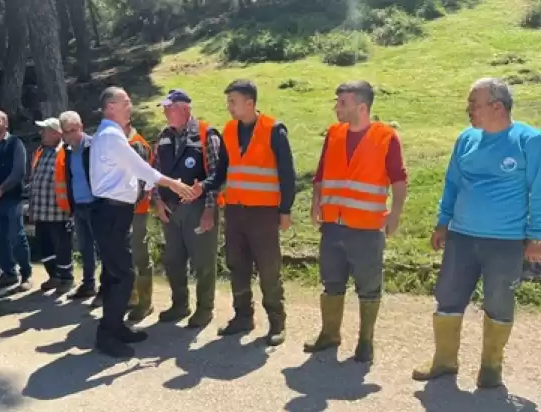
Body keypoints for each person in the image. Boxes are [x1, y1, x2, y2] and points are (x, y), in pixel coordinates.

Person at [412, 78, 541, 389]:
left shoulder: (529, 140)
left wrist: (536, 236)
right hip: (461, 237)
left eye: (474, 104)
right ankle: (444, 361)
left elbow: (538, 190)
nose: (468, 109)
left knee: (499, 301)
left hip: (506, 241)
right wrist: (443, 222)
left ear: (497, 106)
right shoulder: (466, 139)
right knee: (448, 297)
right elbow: (452, 183)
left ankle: (491, 368)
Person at [305, 80, 408, 363]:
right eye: (337, 102)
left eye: (343, 103)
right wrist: (316, 203)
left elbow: (399, 180)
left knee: (368, 285)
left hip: (366, 227)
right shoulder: (334, 134)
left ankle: (365, 341)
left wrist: (395, 213)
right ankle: (330, 334)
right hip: (333, 224)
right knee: (331, 281)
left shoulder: (386, 137)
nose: (337, 108)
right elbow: (321, 174)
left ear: (362, 107)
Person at [89, 86, 196, 358]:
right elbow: (140, 167)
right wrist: (172, 183)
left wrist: (159, 184)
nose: (131, 106)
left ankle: (116, 328)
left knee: (119, 273)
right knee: (121, 275)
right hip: (111, 212)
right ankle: (107, 334)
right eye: (126, 102)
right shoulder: (111, 134)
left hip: (114, 212)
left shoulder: (110, 134)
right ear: (110, 106)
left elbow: (136, 171)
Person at [217, 79, 296, 347]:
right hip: (235, 211)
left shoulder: (274, 130)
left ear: (249, 103)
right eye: (228, 102)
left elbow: (287, 175)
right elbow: (221, 171)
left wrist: (285, 210)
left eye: (233, 102)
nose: (229, 107)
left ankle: (276, 320)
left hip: (264, 213)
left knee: (268, 268)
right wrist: (203, 188)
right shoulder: (228, 130)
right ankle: (242, 316)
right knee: (236, 265)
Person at [152, 89, 226, 328]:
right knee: (173, 260)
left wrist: (209, 210)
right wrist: (157, 201)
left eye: (168, 107)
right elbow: (153, 173)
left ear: (184, 109)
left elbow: (218, 175)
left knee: (203, 261)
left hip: (198, 208)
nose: (164, 112)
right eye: (164, 108)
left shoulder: (207, 134)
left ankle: (205, 309)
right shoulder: (163, 136)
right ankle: (179, 305)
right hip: (169, 210)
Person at [0, 110, 33, 293]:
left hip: (12, 198)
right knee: (0, 238)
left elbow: (19, 171)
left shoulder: (15, 143)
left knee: (17, 237)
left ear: (6, 123)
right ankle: (8, 273)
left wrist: (1, 189)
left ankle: (26, 275)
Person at [57, 111, 101, 300]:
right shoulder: (66, 152)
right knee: (85, 248)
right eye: (66, 132)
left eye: (73, 130)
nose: (70, 135)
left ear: (81, 127)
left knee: (103, 248)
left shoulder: (94, 146)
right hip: (79, 206)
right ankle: (88, 284)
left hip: (96, 205)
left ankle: (106, 288)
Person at [30, 118, 75, 295]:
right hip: (41, 209)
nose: (41, 133)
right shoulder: (40, 151)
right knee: (45, 244)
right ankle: (53, 275)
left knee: (63, 245)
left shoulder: (65, 151)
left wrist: (71, 209)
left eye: (45, 130)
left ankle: (66, 278)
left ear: (57, 133)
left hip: (59, 210)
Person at [121, 121, 155, 321]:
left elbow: (141, 183)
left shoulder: (137, 145)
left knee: (140, 257)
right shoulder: (126, 144)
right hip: (126, 210)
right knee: (129, 256)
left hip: (136, 211)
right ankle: (132, 298)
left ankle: (145, 303)